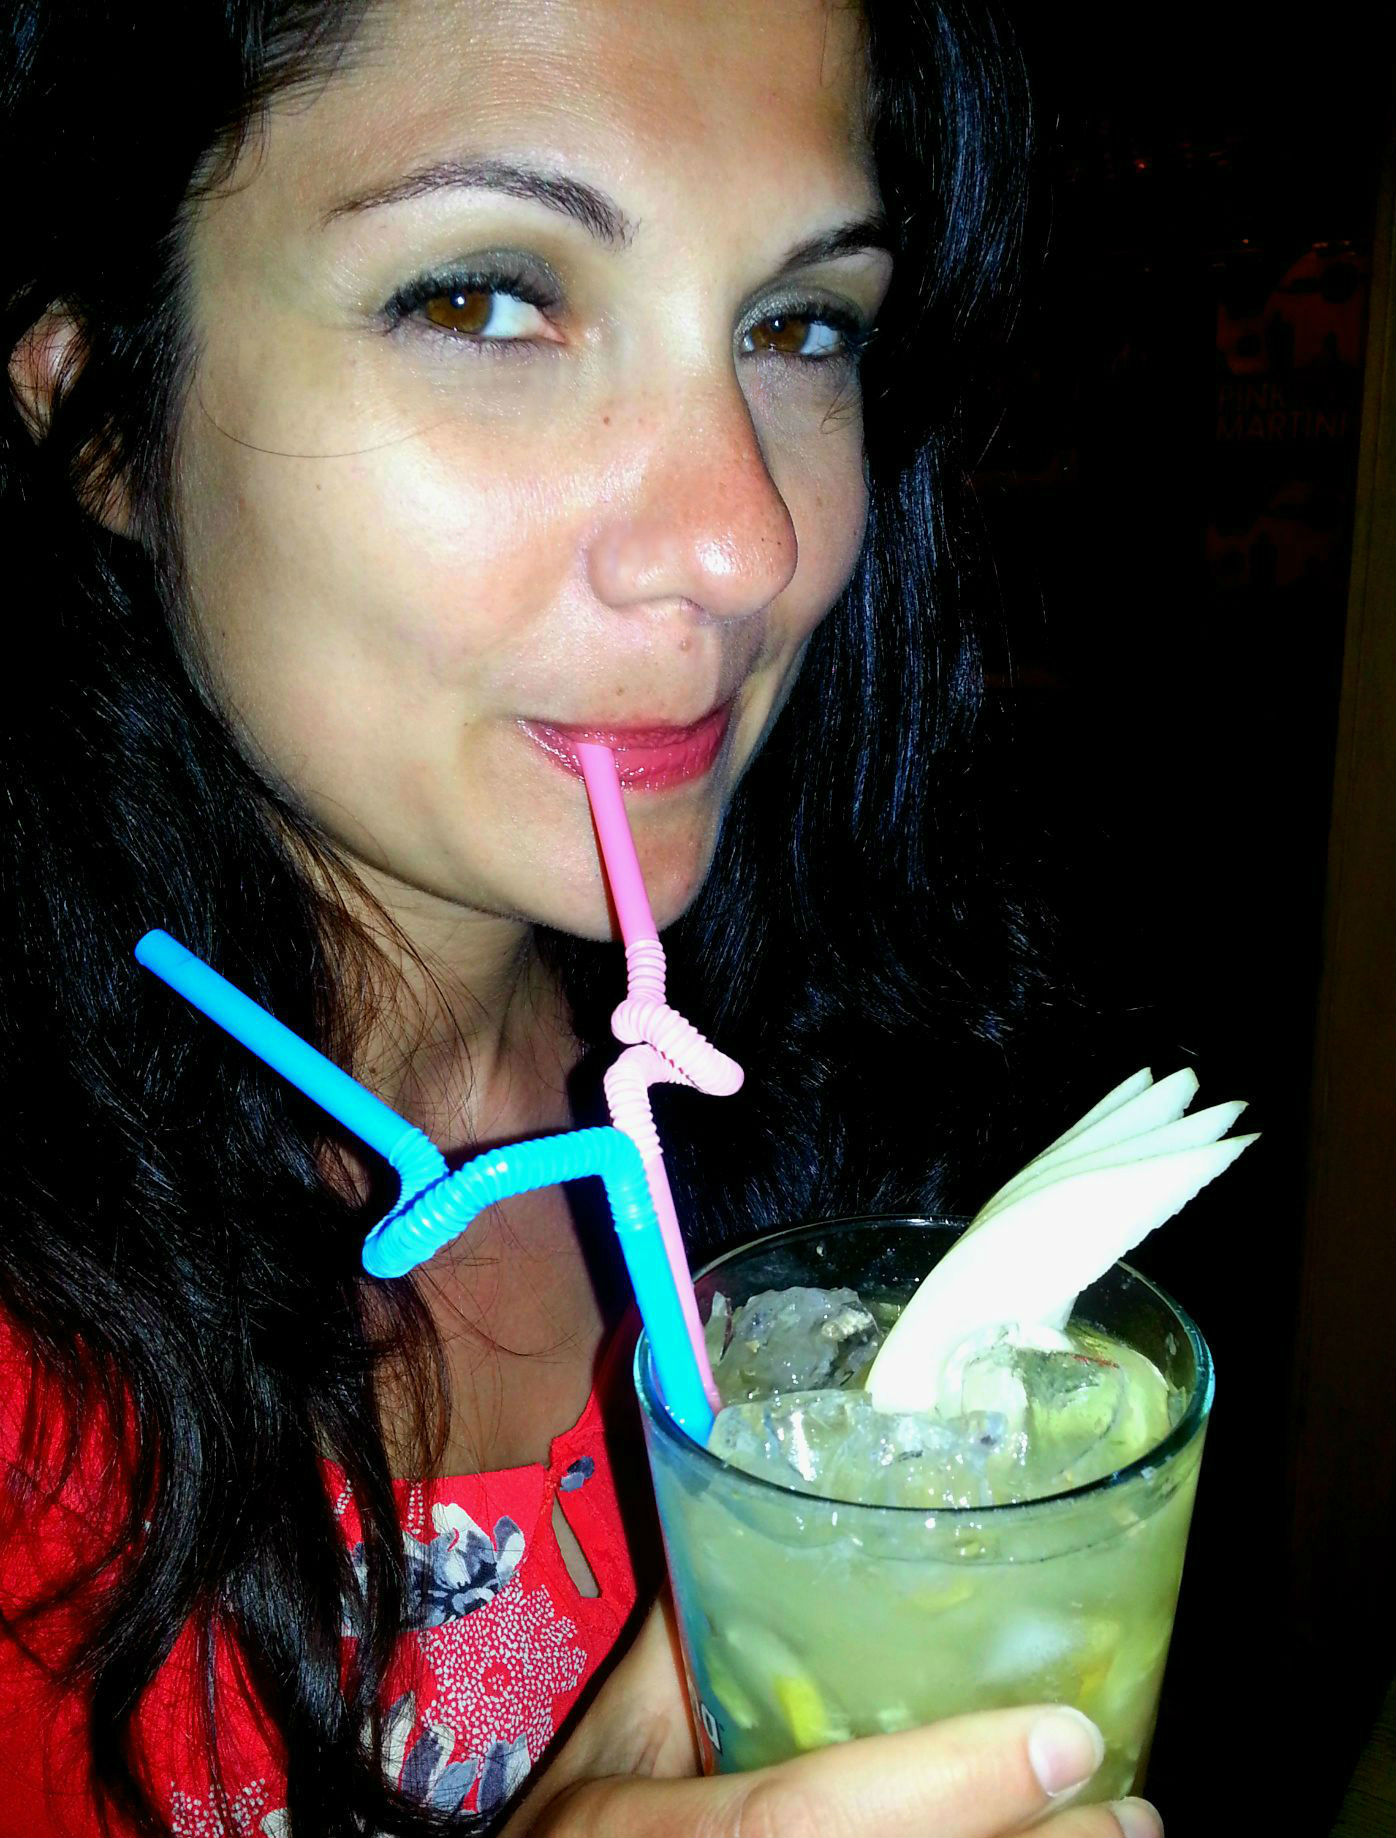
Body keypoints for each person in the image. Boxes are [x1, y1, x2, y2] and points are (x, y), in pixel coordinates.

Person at [0, 2, 1161, 1834]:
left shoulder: (848, 1095)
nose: (743, 543)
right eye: (484, 301)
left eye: (801, 326)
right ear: (100, 412)